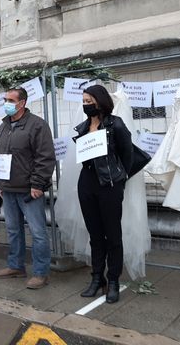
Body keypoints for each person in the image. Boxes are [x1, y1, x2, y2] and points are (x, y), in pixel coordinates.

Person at [74, 85, 133, 303]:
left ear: (100, 101)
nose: (86, 104)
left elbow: (128, 156)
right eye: (84, 101)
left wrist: (120, 179)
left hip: (109, 185)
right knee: (95, 234)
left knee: (113, 235)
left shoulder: (115, 124)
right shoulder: (83, 127)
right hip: (87, 183)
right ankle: (97, 278)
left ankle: (114, 279)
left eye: (89, 100)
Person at [0, 87, 56, 289]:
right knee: (13, 230)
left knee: (38, 232)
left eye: (10, 100)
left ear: (22, 103)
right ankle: (16, 266)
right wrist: (1, 183)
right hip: (9, 188)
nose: (6, 104)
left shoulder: (37, 125)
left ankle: (40, 273)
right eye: (5, 100)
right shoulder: (3, 127)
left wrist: (38, 184)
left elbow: (45, 157)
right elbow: (1, 157)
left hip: (30, 190)